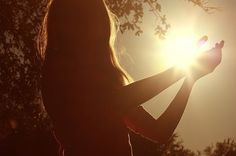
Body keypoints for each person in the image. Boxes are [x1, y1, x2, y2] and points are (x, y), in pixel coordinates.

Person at [41, 0, 224, 155]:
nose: (92, 31)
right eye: (85, 21)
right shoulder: (58, 76)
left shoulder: (107, 83)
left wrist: (192, 77)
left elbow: (159, 131)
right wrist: (184, 68)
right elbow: (114, 102)